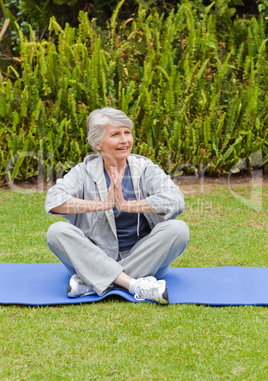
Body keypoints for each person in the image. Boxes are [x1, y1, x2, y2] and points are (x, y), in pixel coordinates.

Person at [45, 107, 189, 304]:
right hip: (93, 255)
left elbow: (176, 200)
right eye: (115, 134)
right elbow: (53, 201)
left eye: (127, 132)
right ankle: (134, 285)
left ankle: (93, 281)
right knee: (56, 231)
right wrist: (102, 204)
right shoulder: (83, 172)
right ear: (97, 143)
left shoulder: (144, 167)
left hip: (144, 258)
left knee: (178, 229)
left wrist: (129, 205)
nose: (124, 140)